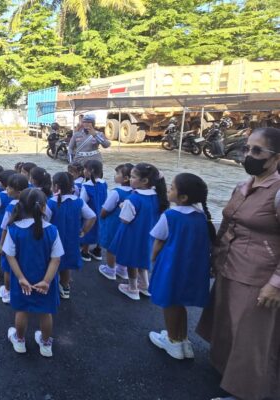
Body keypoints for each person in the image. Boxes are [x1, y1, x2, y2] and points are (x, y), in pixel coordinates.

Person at [197, 127, 280, 400]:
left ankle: (247, 392)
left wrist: (276, 284)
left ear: (276, 158)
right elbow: (228, 225)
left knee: (252, 338)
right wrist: (214, 257)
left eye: (257, 151)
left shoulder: (277, 192)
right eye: (247, 148)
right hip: (229, 266)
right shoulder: (244, 186)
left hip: (259, 276)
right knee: (228, 325)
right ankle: (229, 376)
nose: (248, 155)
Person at [148, 173, 214, 360]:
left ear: (183, 197)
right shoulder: (201, 216)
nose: (168, 190)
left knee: (169, 303)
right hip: (191, 267)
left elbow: (159, 241)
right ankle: (183, 339)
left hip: (171, 266)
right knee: (180, 303)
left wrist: (153, 258)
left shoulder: (170, 215)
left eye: (172, 188)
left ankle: (173, 342)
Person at [4, 189, 64, 357]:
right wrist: (46, 281)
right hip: (46, 281)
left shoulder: (14, 229)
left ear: (20, 206)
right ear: (44, 208)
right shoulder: (52, 230)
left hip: (22, 280)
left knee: (22, 310)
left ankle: (20, 340)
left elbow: (10, 256)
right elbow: (56, 259)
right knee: (46, 312)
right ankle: (46, 344)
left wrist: (21, 278)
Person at [109, 163, 169, 301]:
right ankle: (145, 285)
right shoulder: (157, 196)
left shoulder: (134, 198)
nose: (130, 179)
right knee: (142, 260)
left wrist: (122, 206)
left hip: (132, 235)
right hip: (148, 234)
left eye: (133, 177)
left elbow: (125, 219)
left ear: (145, 181)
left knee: (132, 261)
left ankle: (132, 288)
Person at [47, 172, 96, 300]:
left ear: (56, 186)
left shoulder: (51, 202)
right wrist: (83, 231)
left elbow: (44, 221)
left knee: (52, 262)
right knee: (67, 264)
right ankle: (65, 286)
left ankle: (49, 285)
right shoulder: (79, 202)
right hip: (71, 239)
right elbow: (92, 216)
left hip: (53, 240)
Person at [98, 163, 134, 281]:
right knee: (122, 245)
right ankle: (122, 269)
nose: (115, 175)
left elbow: (106, 209)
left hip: (114, 223)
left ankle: (110, 269)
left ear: (126, 178)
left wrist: (102, 216)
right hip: (127, 225)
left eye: (118, 173)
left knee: (111, 247)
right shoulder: (135, 192)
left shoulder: (116, 192)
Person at [0, 174, 29, 304]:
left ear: (19, 192)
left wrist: (1, 244)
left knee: (8, 268)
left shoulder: (11, 206)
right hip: (26, 240)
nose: (7, 190)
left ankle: (7, 291)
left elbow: (5, 227)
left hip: (11, 240)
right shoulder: (31, 203)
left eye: (9, 188)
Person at [79, 160, 108, 262]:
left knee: (88, 231)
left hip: (90, 213)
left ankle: (85, 252)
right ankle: (97, 250)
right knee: (100, 229)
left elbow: (82, 201)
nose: (83, 171)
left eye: (84, 169)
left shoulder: (86, 186)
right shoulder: (104, 183)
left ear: (89, 171)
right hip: (101, 211)